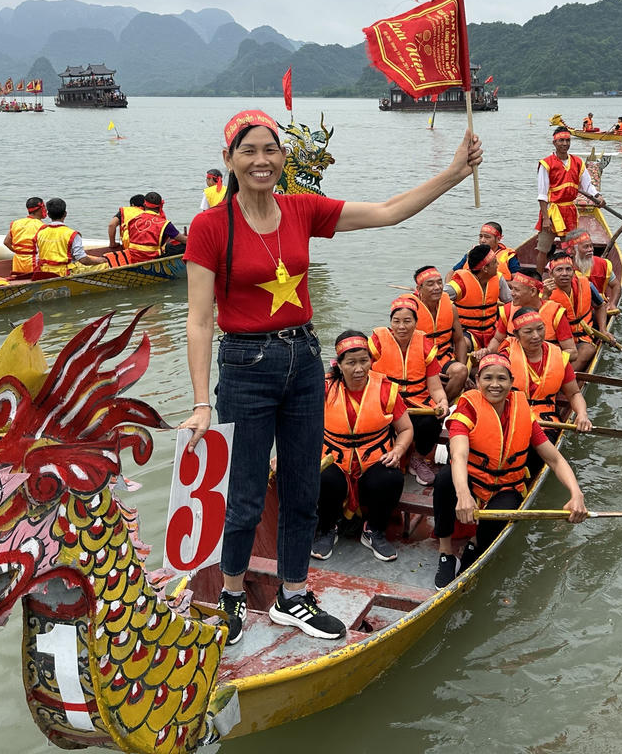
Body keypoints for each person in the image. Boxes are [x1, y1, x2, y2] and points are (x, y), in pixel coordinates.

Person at [180, 108, 482, 645]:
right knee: (247, 492)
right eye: (247, 151)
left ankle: (293, 596)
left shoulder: (302, 211)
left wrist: (453, 174)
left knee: (301, 488)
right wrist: (203, 401)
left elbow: (388, 211)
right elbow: (200, 320)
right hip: (245, 367)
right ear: (228, 159)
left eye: (270, 150)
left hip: (303, 359)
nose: (261, 160)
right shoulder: (210, 226)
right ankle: (229, 595)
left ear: (282, 157)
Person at [431, 354, 588, 588]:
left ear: (512, 381)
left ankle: (475, 543)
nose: (495, 384)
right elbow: (459, 454)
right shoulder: (468, 406)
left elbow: (554, 459)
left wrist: (576, 494)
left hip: (506, 484)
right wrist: (463, 493)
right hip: (471, 479)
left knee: (503, 512)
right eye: (488, 378)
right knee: (444, 480)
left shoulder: (523, 412)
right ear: (477, 380)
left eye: (502, 378)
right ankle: (446, 551)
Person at [313, 330, 413, 563]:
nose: (359, 369)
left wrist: (397, 451)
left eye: (364, 361)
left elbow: (406, 429)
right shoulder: (324, 389)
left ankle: (374, 530)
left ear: (371, 361)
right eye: (351, 363)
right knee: (321, 476)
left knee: (392, 478)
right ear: (339, 365)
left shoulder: (385, 389)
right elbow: (300, 426)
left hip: (373, 461)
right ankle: (327, 528)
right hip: (334, 460)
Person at [369, 294, 448, 486]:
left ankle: (418, 458)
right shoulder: (377, 341)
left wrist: (443, 402)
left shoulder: (424, 344)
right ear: (390, 322)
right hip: (386, 401)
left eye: (407, 321)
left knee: (433, 420)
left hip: (417, 403)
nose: (401, 327)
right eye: (396, 321)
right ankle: (384, 459)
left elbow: (435, 386)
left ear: (416, 322)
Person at [504, 307, 591, 429]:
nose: (536, 336)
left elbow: (574, 393)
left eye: (540, 329)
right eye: (528, 332)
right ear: (516, 335)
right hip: (512, 418)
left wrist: (582, 414)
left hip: (546, 421)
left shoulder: (558, 356)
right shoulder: (505, 356)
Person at [536, 126, 605, 271]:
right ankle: (538, 278)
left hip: (569, 211)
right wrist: (546, 218)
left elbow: (587, 185)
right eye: (561, 140)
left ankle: (574, 277)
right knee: (543, 248)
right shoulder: (546, 164)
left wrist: (598, 196)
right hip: (552, 212)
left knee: (572, 248)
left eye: (567, 140)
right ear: (554, 143)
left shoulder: (578, 162)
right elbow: (542, 194)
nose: (565, 144)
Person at [412, 265, 470, 402]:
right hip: (419, 362)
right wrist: (431, 373)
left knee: (461, 370)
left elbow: (459, 340)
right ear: (419, 289)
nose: (437, 287)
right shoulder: (410, 311)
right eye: (430, 284)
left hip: (443, 358)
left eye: (439, 282)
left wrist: (466, 375)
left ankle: (443, 406)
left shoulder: (450, 307)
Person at [488, 270, 576, 356]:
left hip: (545, 368)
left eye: (516, 290)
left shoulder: (556, 313)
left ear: (533, 291)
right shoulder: (507, 309)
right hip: (514, 365)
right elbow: (497, 339)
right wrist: (488, 352)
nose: (512, 293)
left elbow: (572, 352)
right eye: (512, 288)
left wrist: (546, 358)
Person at [447, 243, 509, 352]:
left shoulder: (498, 278)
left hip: (493, 330)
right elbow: (439, 299)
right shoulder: (460, 283)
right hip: (467, 332)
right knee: (463, 345)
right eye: (495, 262)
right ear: (485, 268)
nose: (498, 264)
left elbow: (510, 301)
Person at [543, 252, 598, 367]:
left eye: (568, 269)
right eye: (559, 270)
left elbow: (601, 306)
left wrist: (603, 330)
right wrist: (545, 297)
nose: (565, 274)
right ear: (551, 273)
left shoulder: (586, 284)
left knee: (588, 349)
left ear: (573, 272)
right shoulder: (543, 294)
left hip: (584, 337)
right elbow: (540, 321)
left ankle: (568, 378)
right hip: (559, 342)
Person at [33, 198, 108, 276]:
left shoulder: (40, 232)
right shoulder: (72, 234)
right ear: (65, 214)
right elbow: (83, 260)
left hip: (45, 271)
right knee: (104, 265)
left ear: (48, 215)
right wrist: (99, 260)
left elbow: (37, 256)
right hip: (65, 272)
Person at [125, 193, 187, 260]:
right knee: (184, 246)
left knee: (169, 246)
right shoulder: (165, 224)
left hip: (134, 256)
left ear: (144, 204)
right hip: (152, 257)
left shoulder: (133, 219)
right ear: (160, 205)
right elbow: (185, 240)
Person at [451, 222, 519, 278]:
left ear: (498, 239)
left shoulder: (508, 255)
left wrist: (500, 283)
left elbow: (516, 280)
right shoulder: (473, 253)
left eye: (487, 237)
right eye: (480, 236)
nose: (482, 240)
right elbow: (451, 273)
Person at [5, 197, 47, 275]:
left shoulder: (16, 223)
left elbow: (6, 242)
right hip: (32, 262)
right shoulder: (42, 226)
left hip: (17, 261)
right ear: (40, 209)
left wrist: (18, 251)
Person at [105, 194, 145, 265]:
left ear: (132, 204)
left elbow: (111, 225)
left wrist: (112, 244)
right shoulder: (149, 213)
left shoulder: (125, 211)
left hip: (129, 244)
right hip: (147, 246)